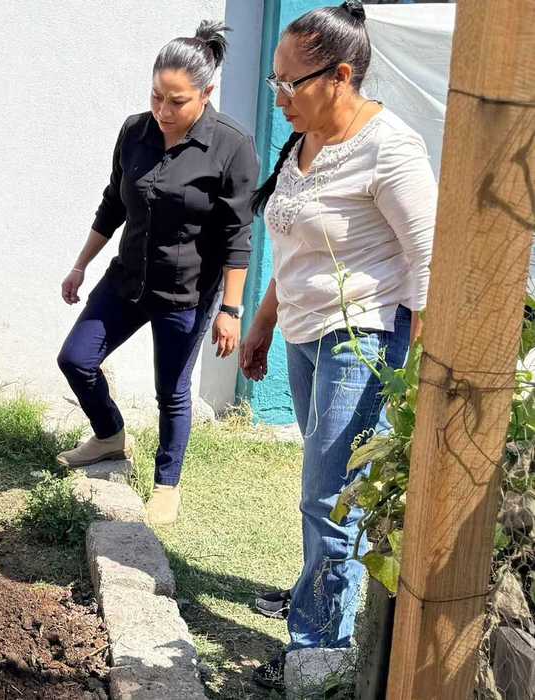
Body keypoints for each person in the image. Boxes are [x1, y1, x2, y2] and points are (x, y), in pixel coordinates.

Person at [237, 1, 435, 690]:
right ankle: (318, 607)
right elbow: (293, 245)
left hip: (362, 341)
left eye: (290, 82)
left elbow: (426, 262)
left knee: (331, 495)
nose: (279, 96)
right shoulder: (302, 140)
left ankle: (318, 650)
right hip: (303, 335)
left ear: (340, 74)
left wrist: (422, 376)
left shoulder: (389, 148)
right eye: (273, 81)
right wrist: (263, 321)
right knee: (324, 489)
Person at [56, 20, 259, 524]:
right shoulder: (135, 131)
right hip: (126, 280)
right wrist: (81, 264)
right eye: (156, 97)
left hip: (186, 293)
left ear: (206, 94)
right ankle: (108, 436)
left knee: (171, 390)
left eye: (178, 101)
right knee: (76, 359)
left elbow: (238, 235)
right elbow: (113, 203)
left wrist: (231, 309)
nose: (163, 111)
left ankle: (167, 484)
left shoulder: (232, 146)